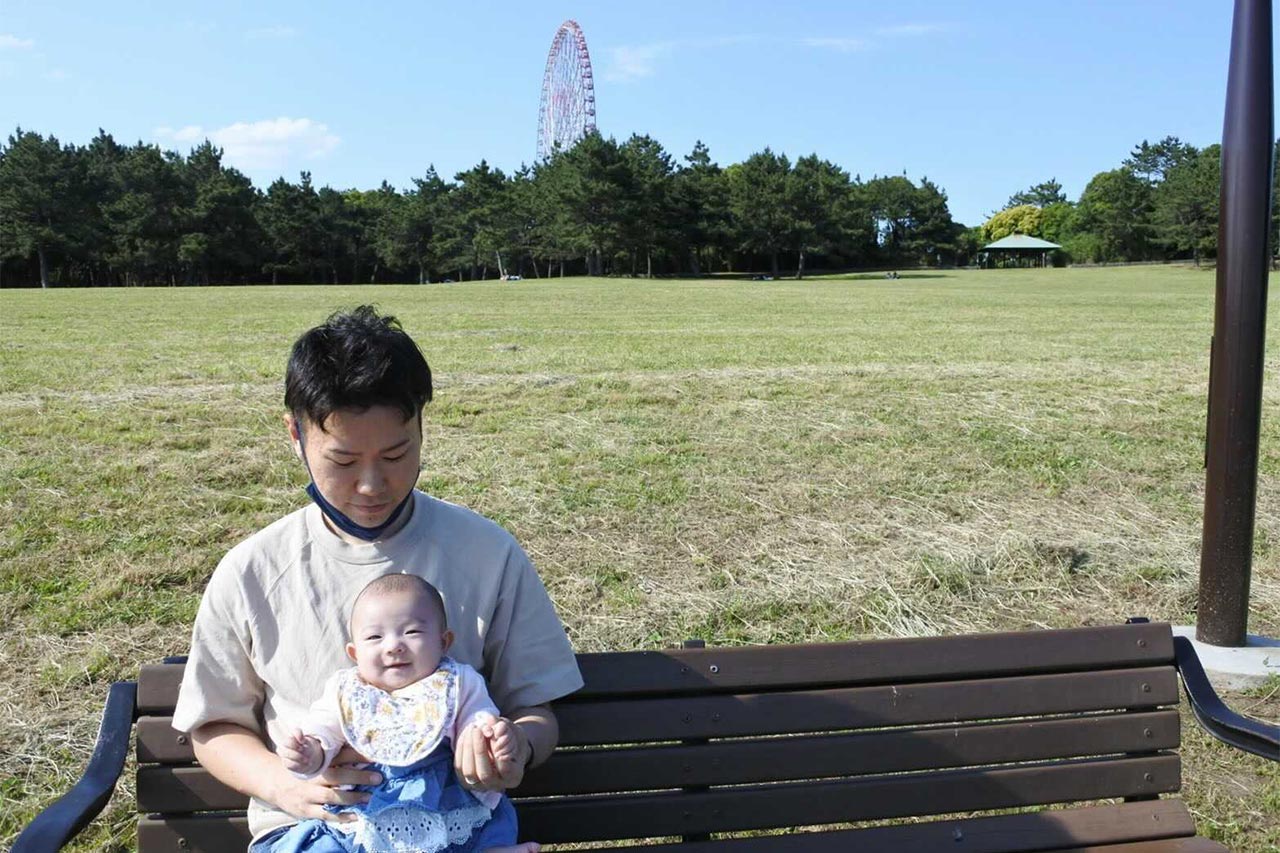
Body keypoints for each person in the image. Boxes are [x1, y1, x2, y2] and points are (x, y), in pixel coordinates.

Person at [172, 306, 583, 851]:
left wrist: (511, 749)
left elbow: (536, 711)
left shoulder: (488, 552)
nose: (372, 485)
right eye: (343, 460)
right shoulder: (252, 571)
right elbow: (213, 727)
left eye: (396, 453)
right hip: (313, 832)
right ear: (295, 435)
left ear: (420, 426)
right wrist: (287, 787)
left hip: (451, 830)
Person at [274, 574, 539, 853]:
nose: (393, 646)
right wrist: (309, 752)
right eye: (375, 637)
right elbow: (324, 729)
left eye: (411, 632)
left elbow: (478, 720)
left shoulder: (457, 683)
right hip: (367, 807)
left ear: (444, 641)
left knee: (487, 820)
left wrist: (492, 736)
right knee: (329, 843)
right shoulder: (347, 692)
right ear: (354, 653)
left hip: (444, 799)